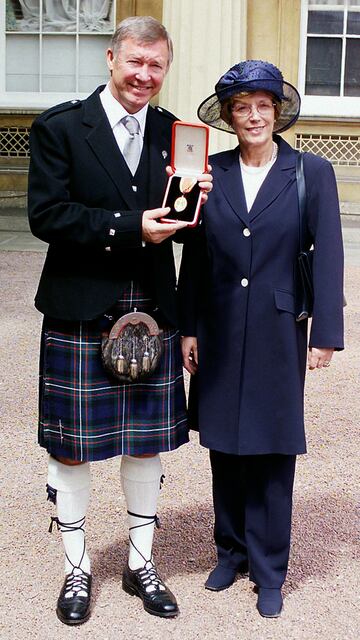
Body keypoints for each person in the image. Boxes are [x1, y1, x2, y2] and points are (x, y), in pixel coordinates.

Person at [28, 15, 211, 626]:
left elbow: (189, 226)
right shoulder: (60, 127)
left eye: (156, 65)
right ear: (111, 57)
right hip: (82, 310)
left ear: (166, 65)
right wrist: (131, 227)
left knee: (144, 446)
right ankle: (77, 566)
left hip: (152, 310)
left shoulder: (176, 132)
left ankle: (140, 562)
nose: (144, 75)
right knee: (73, 450)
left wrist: (200, 206)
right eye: (135, 61)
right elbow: (47, 215)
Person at [178, 60, 344, 618]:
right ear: (229, 115)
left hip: (279, 329)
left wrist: (326, 332)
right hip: (220, 328)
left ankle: (270, 569)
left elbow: (330, 256)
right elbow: (194, 260)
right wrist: (189, 328)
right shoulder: (209, 171)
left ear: (277, 113)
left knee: (272, 448)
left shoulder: (310, 172)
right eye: (241, 106)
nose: (253, 115)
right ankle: (231, 552)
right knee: (223, 441)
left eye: (262, 105)